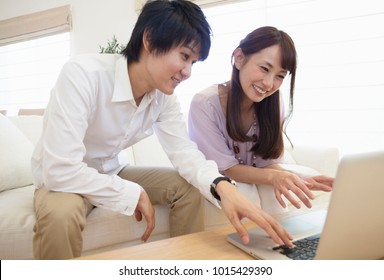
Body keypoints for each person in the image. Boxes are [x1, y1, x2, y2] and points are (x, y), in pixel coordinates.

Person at [31, 2, 293, 260]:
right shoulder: (83, 75)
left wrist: (224, 187)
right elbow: (60, 168)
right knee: (60, 215)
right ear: (150, 39)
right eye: (184, 56)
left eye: (194, 62)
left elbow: (185, 153)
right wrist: (129, 192)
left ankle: (185, 265)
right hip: (65, 181)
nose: (188, 71)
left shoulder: (163, 97)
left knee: (186, 187)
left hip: (112, 169)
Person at [188, 26, 334, 217]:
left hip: (250, 177)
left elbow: (267, 164)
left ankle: (288, 244)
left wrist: (302, 178)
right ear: (239, 58)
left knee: (274, 192)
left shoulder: (272, 103)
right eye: (264, 69)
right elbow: (226, 169)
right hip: (217, 181)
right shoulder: (205, 103)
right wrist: (276, 176)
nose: (269, 83)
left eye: (280, 76)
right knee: (249, 192)